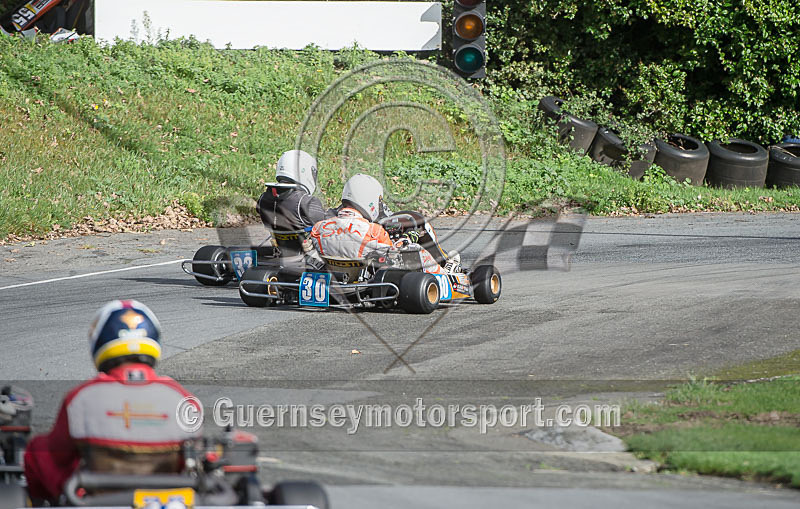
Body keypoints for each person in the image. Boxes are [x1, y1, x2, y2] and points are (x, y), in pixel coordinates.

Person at [24, 300, 201, 504]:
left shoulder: (82, 398)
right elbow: (195, 463)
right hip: (166, 502)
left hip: (100, 501)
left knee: (39, 449)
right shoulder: (183, 400)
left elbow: (55, 458)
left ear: (99, 342)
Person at [310, 174, 460, 274]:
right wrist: (407, 239)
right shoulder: (373, 230)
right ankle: (446, 273)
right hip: (372, 274)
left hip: (336, 274)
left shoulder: (319, 227)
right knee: (414, 249)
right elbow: (393, 254)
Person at [257, 150, 326, 232]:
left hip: (278, 239)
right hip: (305, 240)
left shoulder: (264, 198)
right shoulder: (306, 202)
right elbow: (324, 221)